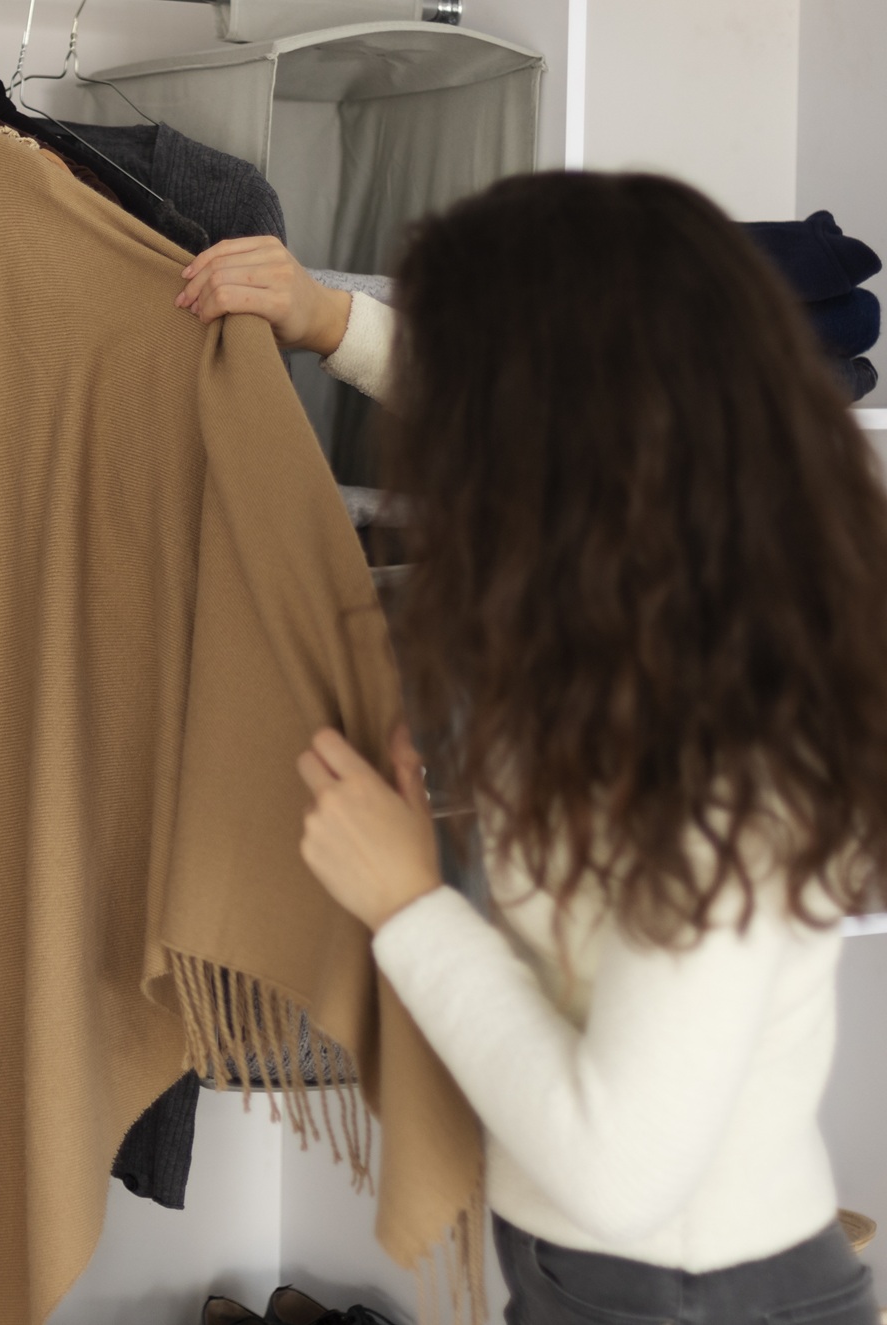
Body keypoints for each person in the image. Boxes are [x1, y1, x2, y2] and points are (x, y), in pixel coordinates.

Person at [178, 172, 887, 1325]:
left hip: (690, 1292)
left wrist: (409, 901)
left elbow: (617, 1168)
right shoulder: (660, 623)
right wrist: (327, 321)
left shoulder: (719, 757)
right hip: (605, 1277)